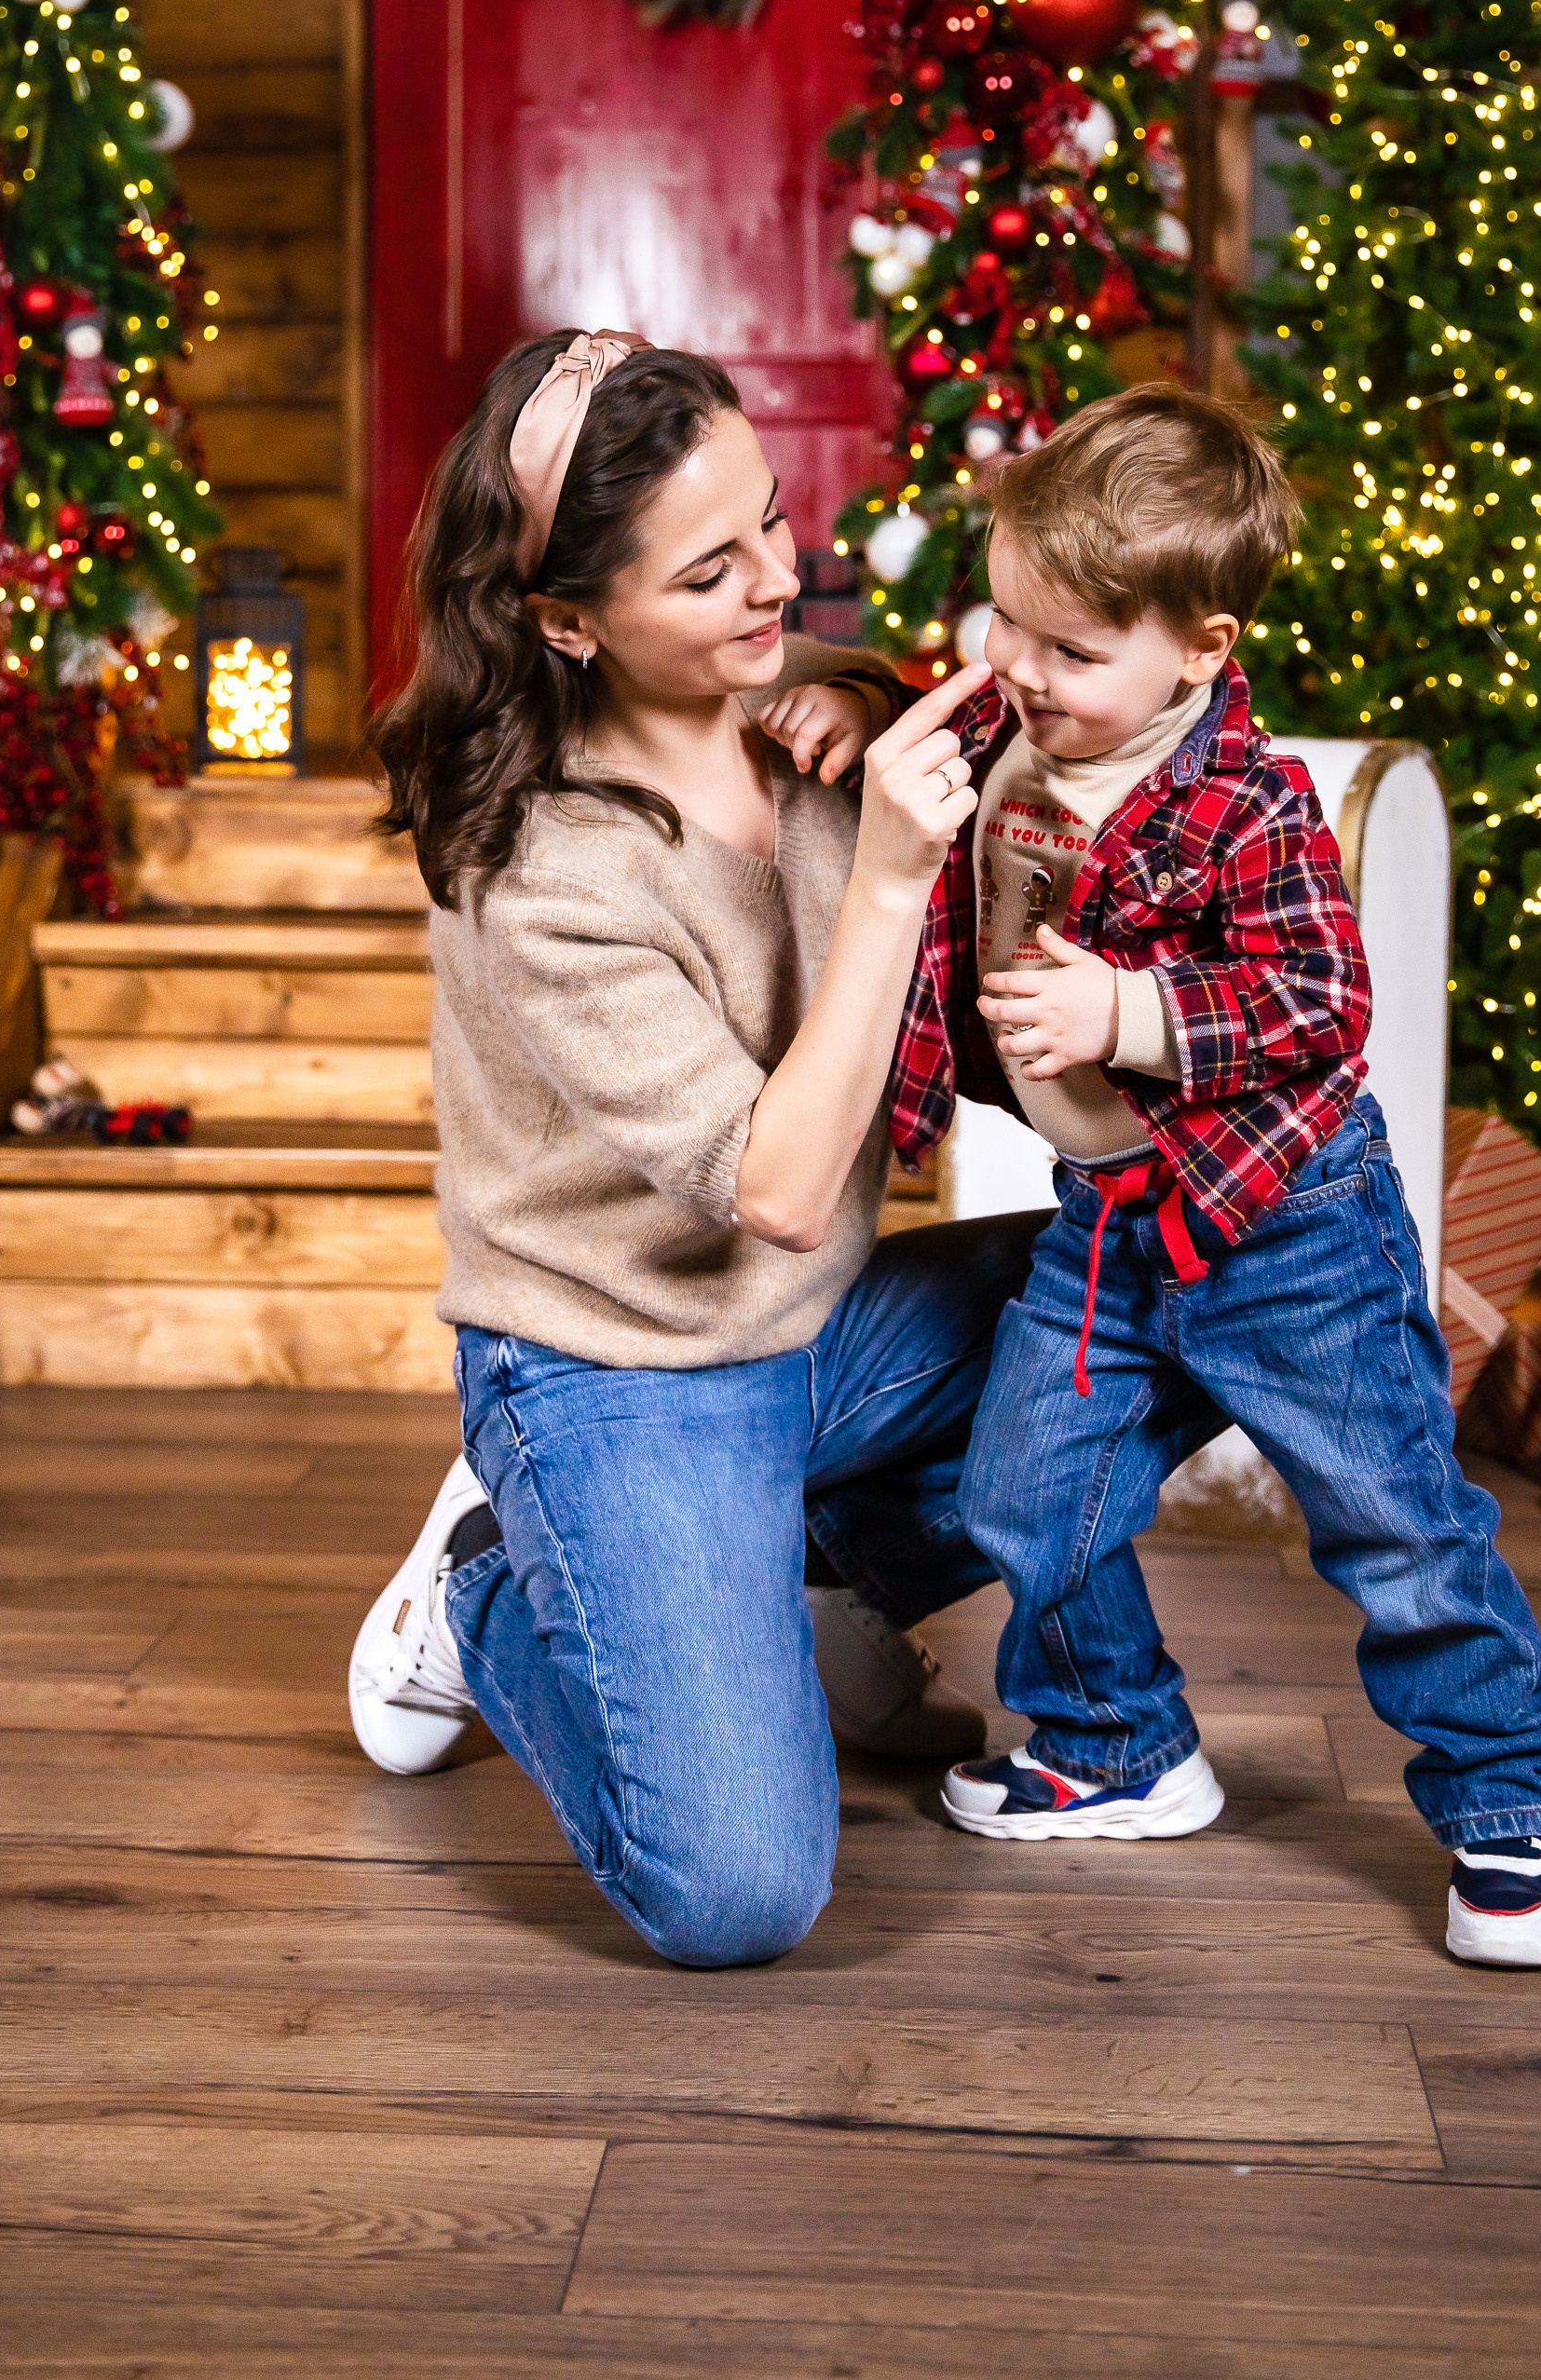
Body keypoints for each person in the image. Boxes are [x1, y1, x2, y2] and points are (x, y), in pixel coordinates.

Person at [345, 327, 1043, 1970]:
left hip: (822, 1341)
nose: (773, 587)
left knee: (1170, 1287)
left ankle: (820, 1581)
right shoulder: (545, 869)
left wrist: (862, 696)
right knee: (738, 1892)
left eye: (775, 525)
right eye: (709, 569)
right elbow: (785, 1190)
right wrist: (879, 878)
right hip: (618, 1367)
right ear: (566, 617)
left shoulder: (797, 722)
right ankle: (488, 1594)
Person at [888, 385, 1541, 1969]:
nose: (1019, 672)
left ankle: (1506, 1811)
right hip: (1112, 1225)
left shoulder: (1243, 801)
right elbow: (917, 737)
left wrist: (1126, 1010)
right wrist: (819, 706)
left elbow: (1320, 1005)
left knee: (1394, 1525)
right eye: (1006, 625)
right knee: (1020, 1492)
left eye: (1071, 651)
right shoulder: (1011, 727)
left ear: (1197, 651)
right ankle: (1116, 1741)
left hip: (1289, 1225)